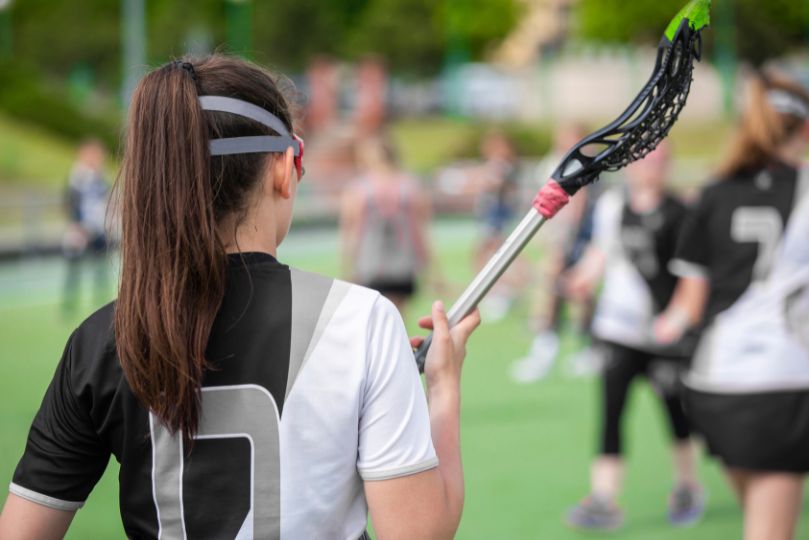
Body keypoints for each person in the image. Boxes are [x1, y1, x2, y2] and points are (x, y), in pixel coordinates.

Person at [0, 55, 480, 540]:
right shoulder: (362, 321)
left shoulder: (101, 342)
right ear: (282, 168)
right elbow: (420, 533)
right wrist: (442, 389)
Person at [655, 72, 809, 540]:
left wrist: (660, 328)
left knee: (758, 517)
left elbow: (688, 304)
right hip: (783, 384)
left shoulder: (713, 193)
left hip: (713, 386)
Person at [563, 143, 705, 531]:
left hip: (664, 335)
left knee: (676, 417)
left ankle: (687, 486)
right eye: (644, 160)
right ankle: (604, 499)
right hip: (617, 331)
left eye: (658, 161)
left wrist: (676, 320)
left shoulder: (681, 213)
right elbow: (601, 255)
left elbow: (692, 276)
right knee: (611, 413)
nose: (649, 168)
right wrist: (582, 279)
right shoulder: (612, 208)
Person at [511, 123, 600, 382]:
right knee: (554, 292)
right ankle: (549, 346)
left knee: (575, 292)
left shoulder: (581, 163)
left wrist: (566, 241)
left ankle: (585, 346)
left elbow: (576, 207)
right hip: (558, 238)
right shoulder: (557, 160)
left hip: (573, 240)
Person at [340, 134, 433, 315]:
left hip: (380, 262)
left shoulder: (360, 188)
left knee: (378, 317)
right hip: (391, 262)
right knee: (394, 317)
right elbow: (421, 230)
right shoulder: (409, 185)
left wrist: (348, 267)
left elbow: (349, 232)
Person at [474, 130, 524, 320]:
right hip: (491, 216)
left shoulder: (503, 167)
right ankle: (499, 290)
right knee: (487, 254)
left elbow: (495, 186)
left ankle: (504, 290)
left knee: (496, 254)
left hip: (496, 218)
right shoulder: (500, 166)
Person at [61, 139, 111, 316]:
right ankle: (69, 303)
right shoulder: (77, 177)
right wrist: (76, 224)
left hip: (97, 229)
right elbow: (70, 202)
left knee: (101, 268)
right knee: (74, 267)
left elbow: (105, 202)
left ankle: (101, 304)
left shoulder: (100, 178)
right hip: (79, 229)